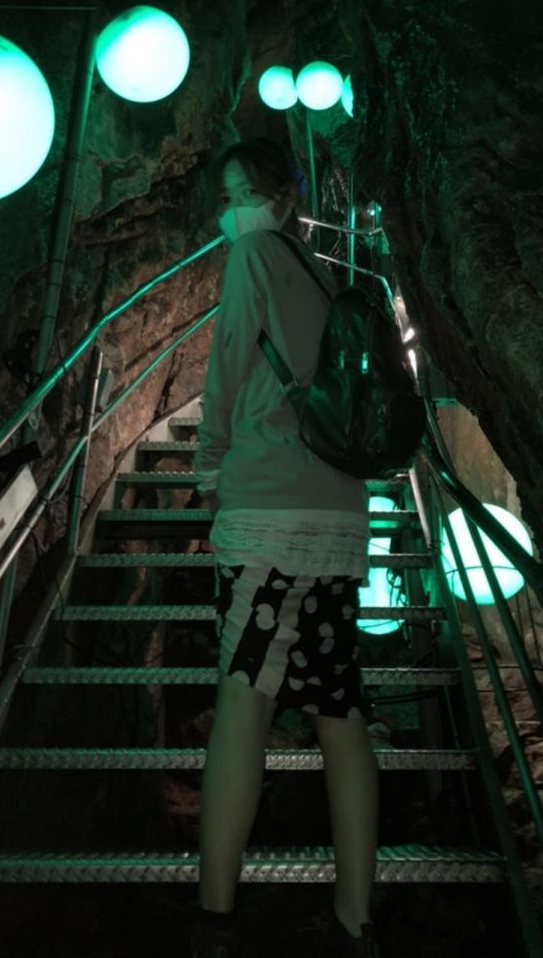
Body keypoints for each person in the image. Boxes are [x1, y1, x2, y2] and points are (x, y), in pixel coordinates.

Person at [191, 137, 382, 958]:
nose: (230, 210)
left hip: (270, 512)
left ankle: (215, 918)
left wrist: (209, 465)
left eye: (242, 193)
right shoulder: (326, 276)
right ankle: (356, 916)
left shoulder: (254, 257)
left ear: (277, 196)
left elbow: (229, 364)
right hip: (337, 513)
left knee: (244, 700)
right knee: (340, 711)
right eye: (227, 195)